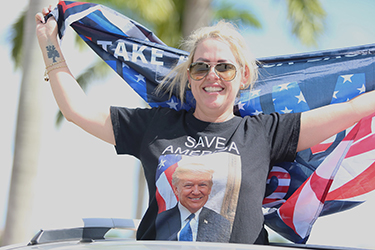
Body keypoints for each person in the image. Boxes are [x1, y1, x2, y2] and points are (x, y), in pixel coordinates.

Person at [35, 5, 375, 245]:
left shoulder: (264, 132)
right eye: (201, 68)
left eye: (224, 67)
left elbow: (352, 109)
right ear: (189, 77)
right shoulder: (155, 125)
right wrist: (50, 44)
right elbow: (77, 110)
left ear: (242, 76)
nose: (212, 76)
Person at [155, 160, 231, 242]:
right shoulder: (159, 220)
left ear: (209, 189)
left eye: (202, 185)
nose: (196, 192)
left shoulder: (221, 223)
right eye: (188, 185)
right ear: (176, 189)